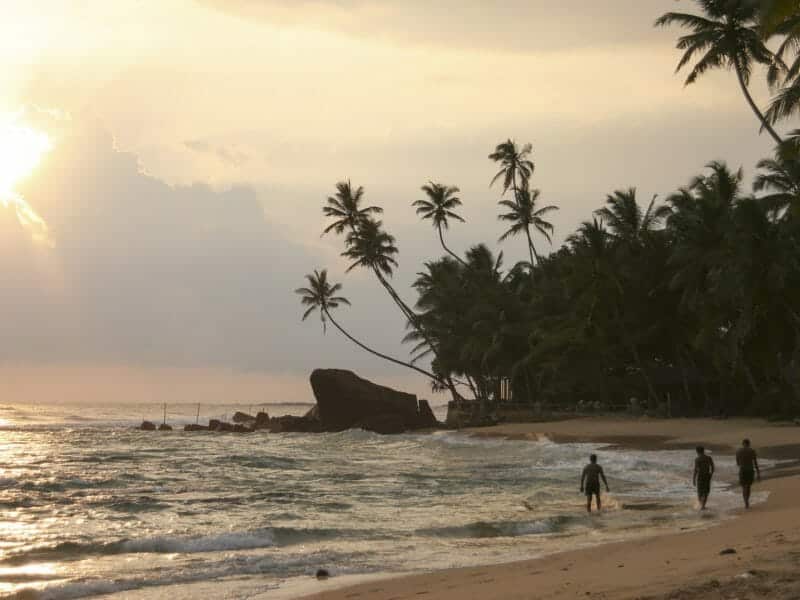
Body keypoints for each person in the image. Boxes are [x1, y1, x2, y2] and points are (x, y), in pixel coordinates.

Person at [735, 438, 760, 509]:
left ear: (743, 444)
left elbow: (737, 463)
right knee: (748, 486)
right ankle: (747, 500)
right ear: (749, 444)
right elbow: (755, 462)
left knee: (743, 487)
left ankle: (745, 502)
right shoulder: (752, 451)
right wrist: (758, 472)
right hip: (750, 470)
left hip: (742, 470)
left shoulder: (738, 451)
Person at [693, 446, 715, 510]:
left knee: (700, 491)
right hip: (707, 476)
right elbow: (712, 467)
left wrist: (694, 479)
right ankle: (703, 506)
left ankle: (701, 505)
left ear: (697, 451)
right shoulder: (709, 458)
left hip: (700, 476)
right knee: (706, 491)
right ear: (703, 450)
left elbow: (696, 470)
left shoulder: (697, 459)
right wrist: (711, 474)